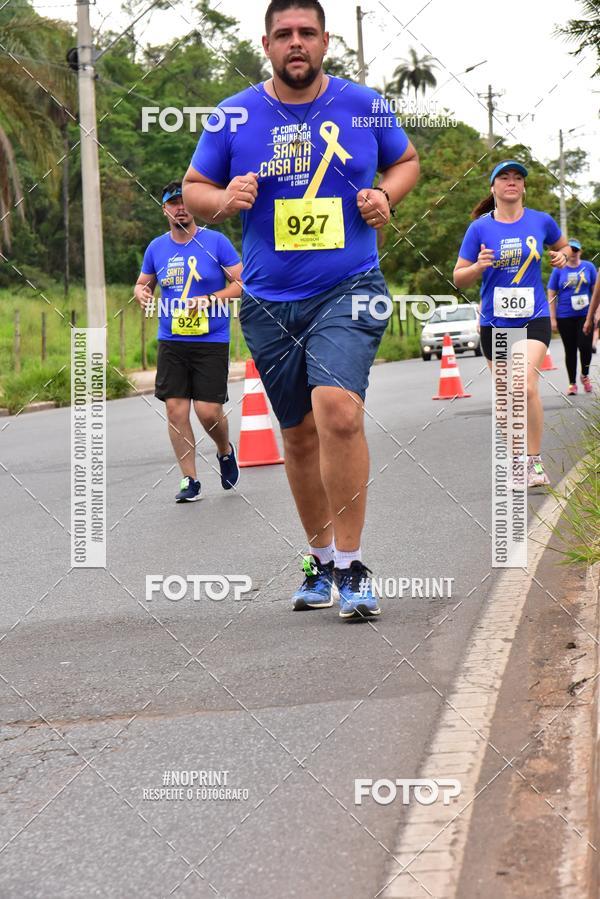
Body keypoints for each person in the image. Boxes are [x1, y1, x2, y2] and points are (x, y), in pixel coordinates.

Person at [182, 0, 419, 619]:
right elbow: (193, 189)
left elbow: (406, 160)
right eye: (283, 34)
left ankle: (352, 564)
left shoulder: (363, 103)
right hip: (268, 300)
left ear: (325, 41)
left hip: (349, 285)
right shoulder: (234, 113)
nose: (296, 43)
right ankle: (318, 560)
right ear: (266, 45)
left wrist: (384, 195)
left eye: (306, 33)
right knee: (298, 433)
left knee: (337, 411)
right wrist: (224, 199)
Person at [453, 160, 570, 488]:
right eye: (504, 177)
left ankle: (534, 460)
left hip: (533, 316)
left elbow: (564, 250)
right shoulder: (479, 228)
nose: (511, 182)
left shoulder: (541, 221)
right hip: (495, 321)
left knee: (523, 386)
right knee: (506, 394)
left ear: (524, 186)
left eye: (517, 177)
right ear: (493, 187)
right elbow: (459, 278)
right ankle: (518, 462)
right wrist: (478, 266)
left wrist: (561, 257)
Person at [134, 181, 243, 502]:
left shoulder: (216, 242)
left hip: (211, 339)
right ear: (164, 209)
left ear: (192, 206)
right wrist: (141, 292)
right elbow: (143, 283)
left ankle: (224, 450)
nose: (180, 208)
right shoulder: (156, 248)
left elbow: (241, 283)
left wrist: (211, 298)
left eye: (184, 202)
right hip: (172, 339)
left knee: (209, 412)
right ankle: (189, 479)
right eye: (173, 203)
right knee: (176, 410)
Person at [548, 239, 597, 395]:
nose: (574, 254)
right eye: (571, 251)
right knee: (570, 350)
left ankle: (585, 375)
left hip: (585, 314)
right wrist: (553, 318)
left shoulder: (588, 267)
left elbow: (597, 292)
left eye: (576, 250)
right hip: (565, 315)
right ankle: (572, 383)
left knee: (585, 347)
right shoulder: (559, 270)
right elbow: (551, 293)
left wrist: (597, 312)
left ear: (580, 252)